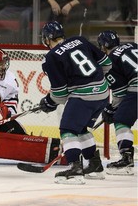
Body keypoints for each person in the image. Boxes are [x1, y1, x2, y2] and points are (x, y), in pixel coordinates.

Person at [39, 21, 112, 184]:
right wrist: (95, 81)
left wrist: (49, 102)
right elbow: (107, 64)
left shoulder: (51, 57)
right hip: (103, 94)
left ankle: (75, 170)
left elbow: (60, 94)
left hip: (83, 97)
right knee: (80, 129)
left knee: (67, 129)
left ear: (47, 39)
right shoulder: (80, 40)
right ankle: (95, 166)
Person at [97, 30, 137, 175]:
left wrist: (112, 108)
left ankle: (126, 159)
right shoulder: (133, 45)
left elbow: (120, 92)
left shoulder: (111, 59)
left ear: (102, 46)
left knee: (121, 121)